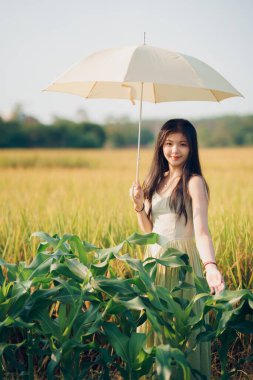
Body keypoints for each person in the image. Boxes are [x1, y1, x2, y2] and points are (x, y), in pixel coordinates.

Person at [131, 119, 225, 379]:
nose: (175, 150)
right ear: (161, 145)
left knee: (183, 330)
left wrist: (210, 267)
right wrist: (139, 205)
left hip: (182, 262)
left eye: (182, 144)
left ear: (191, 148)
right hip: (154, 260)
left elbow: (202, 231)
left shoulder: (194, 182)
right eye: (170, 143)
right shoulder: (155, 180)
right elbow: (149, 232)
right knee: (155, 328)